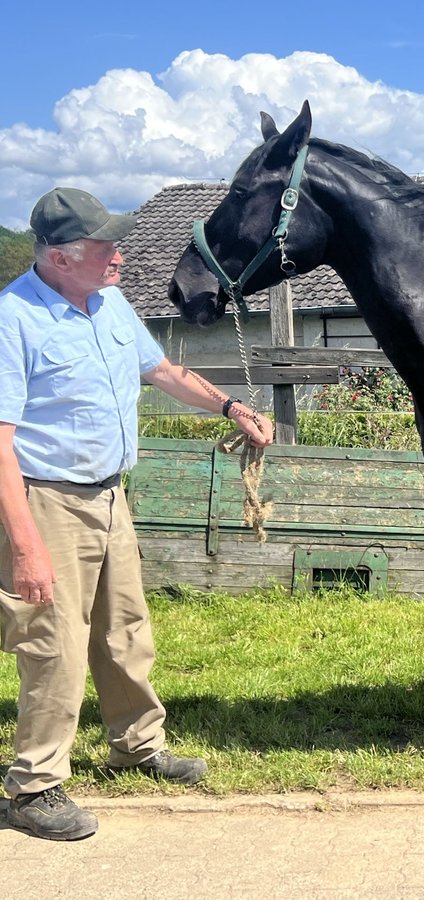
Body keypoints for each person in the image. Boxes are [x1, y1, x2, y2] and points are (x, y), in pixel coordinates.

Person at [0, 187, 274, 841]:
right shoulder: (13, 319)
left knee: (125, 630)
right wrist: (27, 547)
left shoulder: (110, 303)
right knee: (53, 644)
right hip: (46, 497)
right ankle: (33, 786)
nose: (121, 255)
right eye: (106, 246)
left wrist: (232, 409)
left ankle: (137, 745)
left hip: (109, 493)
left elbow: (164, 372)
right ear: (63, 257)